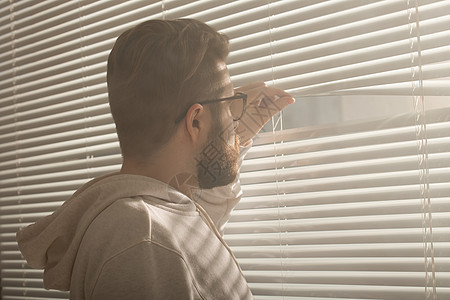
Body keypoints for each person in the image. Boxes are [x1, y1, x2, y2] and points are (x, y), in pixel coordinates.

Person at [16, 19, 294, 299]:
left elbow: (195, 235)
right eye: (228, 104)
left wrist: (230, 134)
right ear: (195, 121)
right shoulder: (141, 238)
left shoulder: (155, 216)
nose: (234, 117)